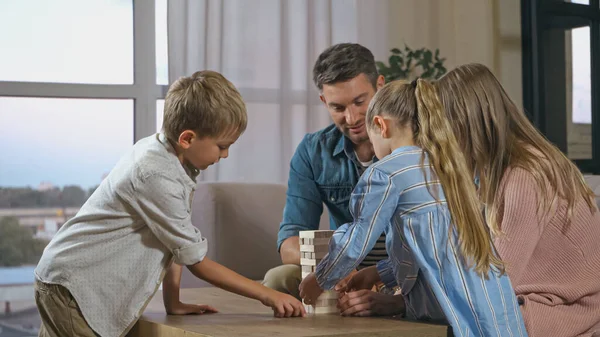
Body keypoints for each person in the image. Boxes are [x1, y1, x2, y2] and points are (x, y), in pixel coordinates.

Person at [33, 71, 305, 337]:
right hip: (73, 286)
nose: (225, 154)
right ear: (187, 138)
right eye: (222, 146)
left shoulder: (169, 159)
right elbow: (196, 261)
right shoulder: (156, 174)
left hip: (67, 280)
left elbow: (173, 243)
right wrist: (267, 294)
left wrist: (172, 303)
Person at [299, 78, 527, 335]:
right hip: (492, 301)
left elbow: (356, 240)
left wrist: (320, 279)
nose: (373, 150)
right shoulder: (449, 166)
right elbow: (434, 246)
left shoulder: (385, 173)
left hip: (445, 306)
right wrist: (379, 273)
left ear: (380, 125)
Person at [435, 63, 600, 337]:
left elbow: (495, 286)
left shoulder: (525, 176)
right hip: (545, 302)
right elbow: (465, 254)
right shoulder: (496, 172)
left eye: (446, 128)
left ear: (467, 124)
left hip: (575, 310)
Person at [262, 43, 405, 316]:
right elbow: (291, 241)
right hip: (338, 274)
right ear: (323, 102)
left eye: (359, 102)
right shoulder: (313, 151)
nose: (351, 118)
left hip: (399, 271)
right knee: (277, 279)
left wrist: (379, 275)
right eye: (338, 107)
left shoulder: (409, 144)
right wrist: (335, 266)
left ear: (380, 86)